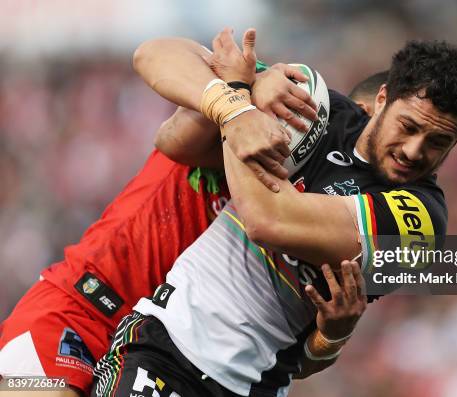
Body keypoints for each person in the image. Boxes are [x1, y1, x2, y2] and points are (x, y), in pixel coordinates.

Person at [90, 28, 457, 397]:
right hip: (169, 348)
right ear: (383, 99)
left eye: (438, 142)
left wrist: (238, 103)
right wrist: (233, 97)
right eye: (407, 126)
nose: (413, 150)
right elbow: (155, 59)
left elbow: (268, 220)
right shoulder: (317, 107)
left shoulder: (420, 222)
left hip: (256, 386)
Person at [0, 49, 388, 396]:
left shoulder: (334, 228)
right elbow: (152, 55)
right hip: (78, 310)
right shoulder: (268, 101)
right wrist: (233, 104)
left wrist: (332, 338)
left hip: (167, 358)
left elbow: (294, 361)